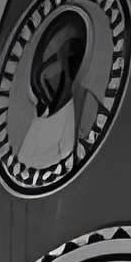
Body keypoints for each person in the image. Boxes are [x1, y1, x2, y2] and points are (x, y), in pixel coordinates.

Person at [16, 10, 96, 170]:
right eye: (53, 56)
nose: (60, 64)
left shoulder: (87, 107)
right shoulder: (35, 126)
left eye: (69, 54)